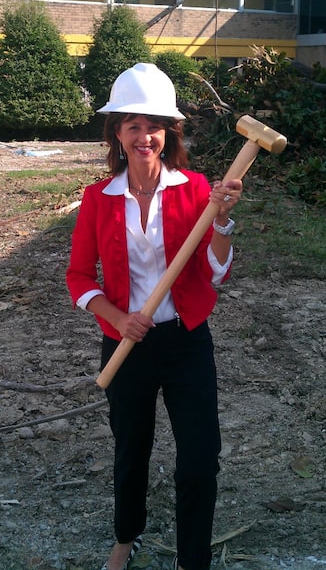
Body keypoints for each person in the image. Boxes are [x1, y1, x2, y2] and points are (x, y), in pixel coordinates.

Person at [66, 63, 242, 570]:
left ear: (169, 133)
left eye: (154, 126)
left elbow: (214, 274)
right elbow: (79, 276)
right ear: (117, 134)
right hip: (128, 343)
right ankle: (127, 535)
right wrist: (116, 318)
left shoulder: (195, 190)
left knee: (199, 458)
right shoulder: (99, 198)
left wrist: (223, 221)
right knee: (131, 449)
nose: (145, 137)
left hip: (186, 340)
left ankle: (193, 559)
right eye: (133, 126)